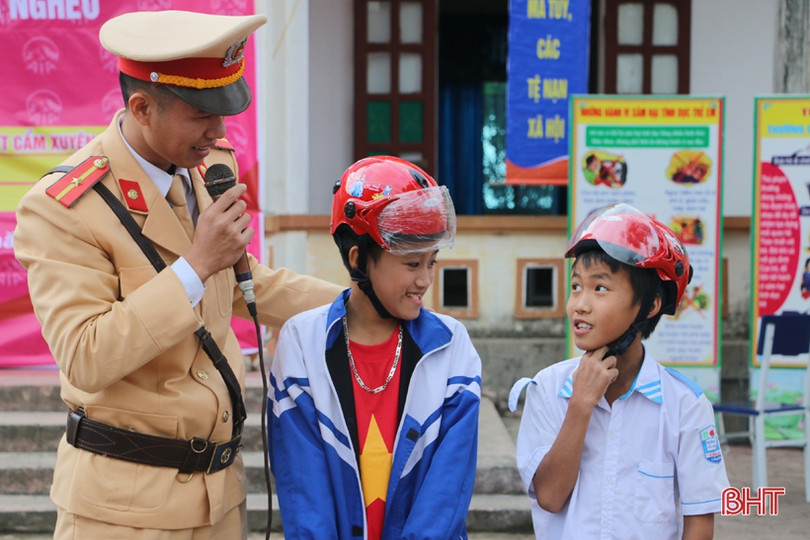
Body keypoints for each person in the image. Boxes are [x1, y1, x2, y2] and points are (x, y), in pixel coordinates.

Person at [13, 10, 342, 539]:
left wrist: (361, 304)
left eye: (225, 110)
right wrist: (196, 265)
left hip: (220, 498)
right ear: (142, 107)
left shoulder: (205, 166)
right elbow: (85, 354)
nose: (219, 131)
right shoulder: (62, 208)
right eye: (201, 114)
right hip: (124, 513)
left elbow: (245, 279)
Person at [267, 156, 482, 539]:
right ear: (358, 259)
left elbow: (446, 494)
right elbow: (304, 498)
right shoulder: (302, 344)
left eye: (432, 262)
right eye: (412, 263)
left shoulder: (452, 347)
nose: (425, 280)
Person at [509, 202, 729, 539]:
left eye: (600, 288)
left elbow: (699, 521)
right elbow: (550, 498)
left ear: (651, 305)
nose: (579, 304)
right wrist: (580, 403)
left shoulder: (684, 406)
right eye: (576, 286)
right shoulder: (548, 389)